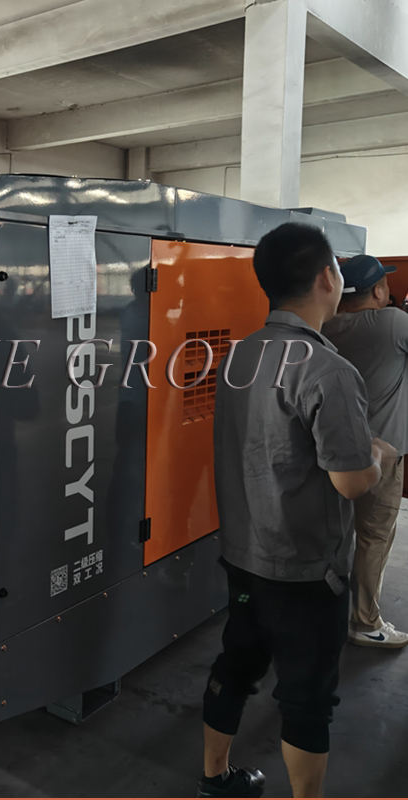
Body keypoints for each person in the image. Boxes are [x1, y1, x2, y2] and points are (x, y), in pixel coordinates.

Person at [199, 223, 395, 798]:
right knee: (307, 699)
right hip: (306, 571)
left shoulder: (239, 354)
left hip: (243, 554)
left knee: (236, 666)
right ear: (327, 278)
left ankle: (215, 777)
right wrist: (377, 455)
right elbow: (352, 483)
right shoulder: (328, 370)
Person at [322, 254, 408, 648]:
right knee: (373, 537)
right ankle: (365, 621)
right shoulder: (392, 323)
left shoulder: (326, 326)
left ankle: (328, 611)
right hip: (381, 456)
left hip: (332, 451)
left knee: (336, 535)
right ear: (378, 290)